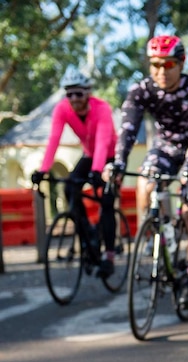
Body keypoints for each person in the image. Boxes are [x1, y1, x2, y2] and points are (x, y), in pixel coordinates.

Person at [108, 34, 188, 309]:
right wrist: (118, 162)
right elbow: (129, 129)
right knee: (145, 183)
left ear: (181, 63)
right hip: (165, 148)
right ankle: (156, 233)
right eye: (155, 65)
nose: (161, 72)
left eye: (168, 65)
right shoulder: (141, 89)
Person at [32, 66, 119, 277]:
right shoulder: (62, 109)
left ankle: (109, 256)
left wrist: (98, 171)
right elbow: (54, 139)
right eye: (69, 93)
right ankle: (88, 233)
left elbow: (102, 142)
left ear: (88, 92)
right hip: (89, 155)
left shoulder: (102, 109)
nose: (74, 98)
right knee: (70, 189)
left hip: (108, 156)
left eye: (78, 93)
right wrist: (43, 170)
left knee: (107, 202)